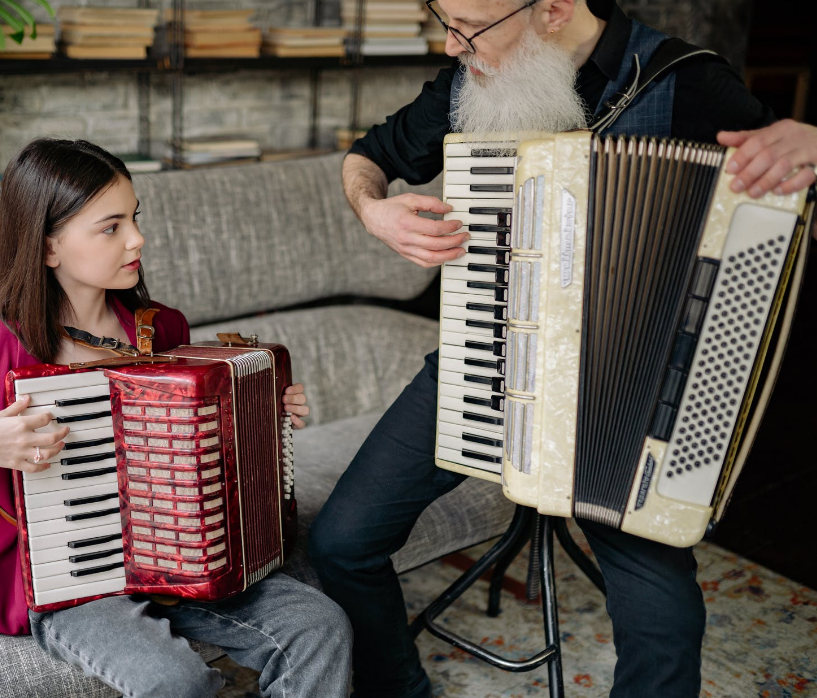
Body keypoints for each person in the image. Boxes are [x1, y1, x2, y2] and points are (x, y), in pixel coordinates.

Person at [308, 1, 817, 697]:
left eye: (467, 27)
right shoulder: (467, 77)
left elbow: (784, 210)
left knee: (660, 612)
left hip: (620, 385)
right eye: (442, 22)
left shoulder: (688, 84)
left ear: (550, 9)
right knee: (342, 542)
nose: (452, 45)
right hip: (480, 353)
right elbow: (368, 156)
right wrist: (374, 209)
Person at [0, 137, 351, 698]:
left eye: (134, 218)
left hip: (178, 561)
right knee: (174, 681)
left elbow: (200, 461)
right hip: (71, 577)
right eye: (110, 227)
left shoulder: (163, 330)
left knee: (321, 627)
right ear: (49, 246)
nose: (137, 239)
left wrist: (260, 421)